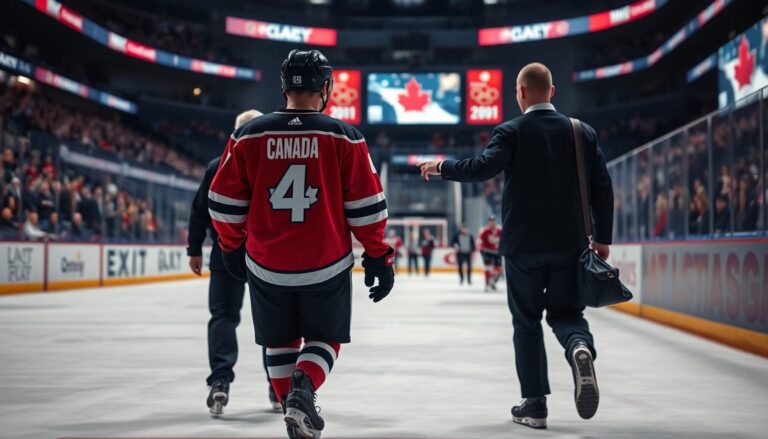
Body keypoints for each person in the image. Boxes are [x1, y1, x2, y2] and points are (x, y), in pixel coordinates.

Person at [209, 49, 394, 439]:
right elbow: (367, 207)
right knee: (325, 339)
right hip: (325, 263)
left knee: (279, 343)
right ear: (325, 87)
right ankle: (302, 391)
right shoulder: (344, 136)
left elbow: (223, 202)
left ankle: (294, 410)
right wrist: (378, 256)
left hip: (266, 265)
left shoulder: (248, 134)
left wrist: (230, 246)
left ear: (284, 86)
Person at [418, 62, 614, 429]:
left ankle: (535, 406)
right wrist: (603, 238)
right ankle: (578, 346)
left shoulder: (510, 131)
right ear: (552, 91)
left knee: (527, 322)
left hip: (523, 246)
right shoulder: (581, 132)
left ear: (520, 92)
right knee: (567, 314)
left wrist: (441, 166)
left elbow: (481, 168)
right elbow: (603, 187)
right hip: (570, 244)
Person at [187, 109, 278, 416]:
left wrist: (194, 248)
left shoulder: (217, 166)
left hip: (226, 253)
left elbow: (199, 211)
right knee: (275, 322)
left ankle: (220, 381)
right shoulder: (274, 167)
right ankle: (278, 386)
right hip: (267, 256)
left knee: (224, 316)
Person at [478, 215, 503, 292]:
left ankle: (493, 282)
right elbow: (480, 242)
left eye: (493, 221)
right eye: (490, 221)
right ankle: (487, 284)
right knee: (488, 268)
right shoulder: (485, 231)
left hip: (497, 252)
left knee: (499, 270)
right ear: (488, 222)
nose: (492, 223)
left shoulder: (500, 230)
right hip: (487, 251)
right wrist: (482, 251)